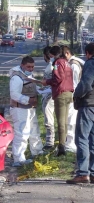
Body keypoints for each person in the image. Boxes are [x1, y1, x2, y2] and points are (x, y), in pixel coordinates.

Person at [66, 43, 94, 184]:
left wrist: (76, 95)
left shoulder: (90, 63)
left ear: (88, 53)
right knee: (93, 140)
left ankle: (83, 173)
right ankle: (93, 172)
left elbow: (86, 83)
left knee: (82, 138)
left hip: (89, 104)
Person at [9, 56, 44, 167]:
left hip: (29, 108)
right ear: (22, 65)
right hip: (19, 109)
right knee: (22, 134)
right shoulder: (16, 78)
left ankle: (37, 152)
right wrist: (28, 100)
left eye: (33, 67)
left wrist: (43, 90)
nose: (31, 69)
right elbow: (14, 94)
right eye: (28, 66)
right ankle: (18, 159)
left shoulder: (27, 75)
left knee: (34, 131)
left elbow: (31, 88)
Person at [41, 46, 74, 156]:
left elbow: (58, 78)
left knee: (60, 122)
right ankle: (63, 144)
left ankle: (61, 148)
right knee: (64, 121)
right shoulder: (67, 62)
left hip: (61, 94)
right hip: (69, 92)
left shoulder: (57, 63)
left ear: (53, 54)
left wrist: (47, 81)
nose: (50, 57)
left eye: (50, 55)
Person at [61, 46, 85, 153]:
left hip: (73, 96)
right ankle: (70, 142)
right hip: (75, 95)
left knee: (71, 120)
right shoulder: (76, 62)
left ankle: (70, 144)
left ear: (67, 53)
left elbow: (75, 83)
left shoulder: (73, 65)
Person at [41, 46, 55, 151]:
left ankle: (50, 142)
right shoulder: (52, 65)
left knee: (48, 119)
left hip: (49, 95)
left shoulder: (52, 66)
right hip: (47, 93)